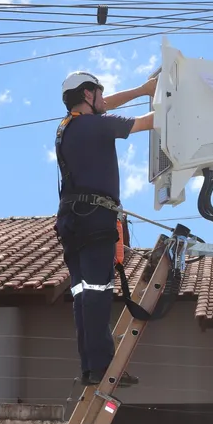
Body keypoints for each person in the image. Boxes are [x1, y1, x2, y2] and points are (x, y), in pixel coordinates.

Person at [53, 71, 156, 387]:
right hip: (94, 219)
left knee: (84, 296)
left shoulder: (69, 126)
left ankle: (91, 367)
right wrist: (176, 97)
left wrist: (142, 89)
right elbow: (144, 123)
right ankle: (102, 367)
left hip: (73, 222)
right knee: (97, 293)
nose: (104, 99)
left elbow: (105, 104)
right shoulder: (93, 125)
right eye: (98, 93)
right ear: (87, 95)